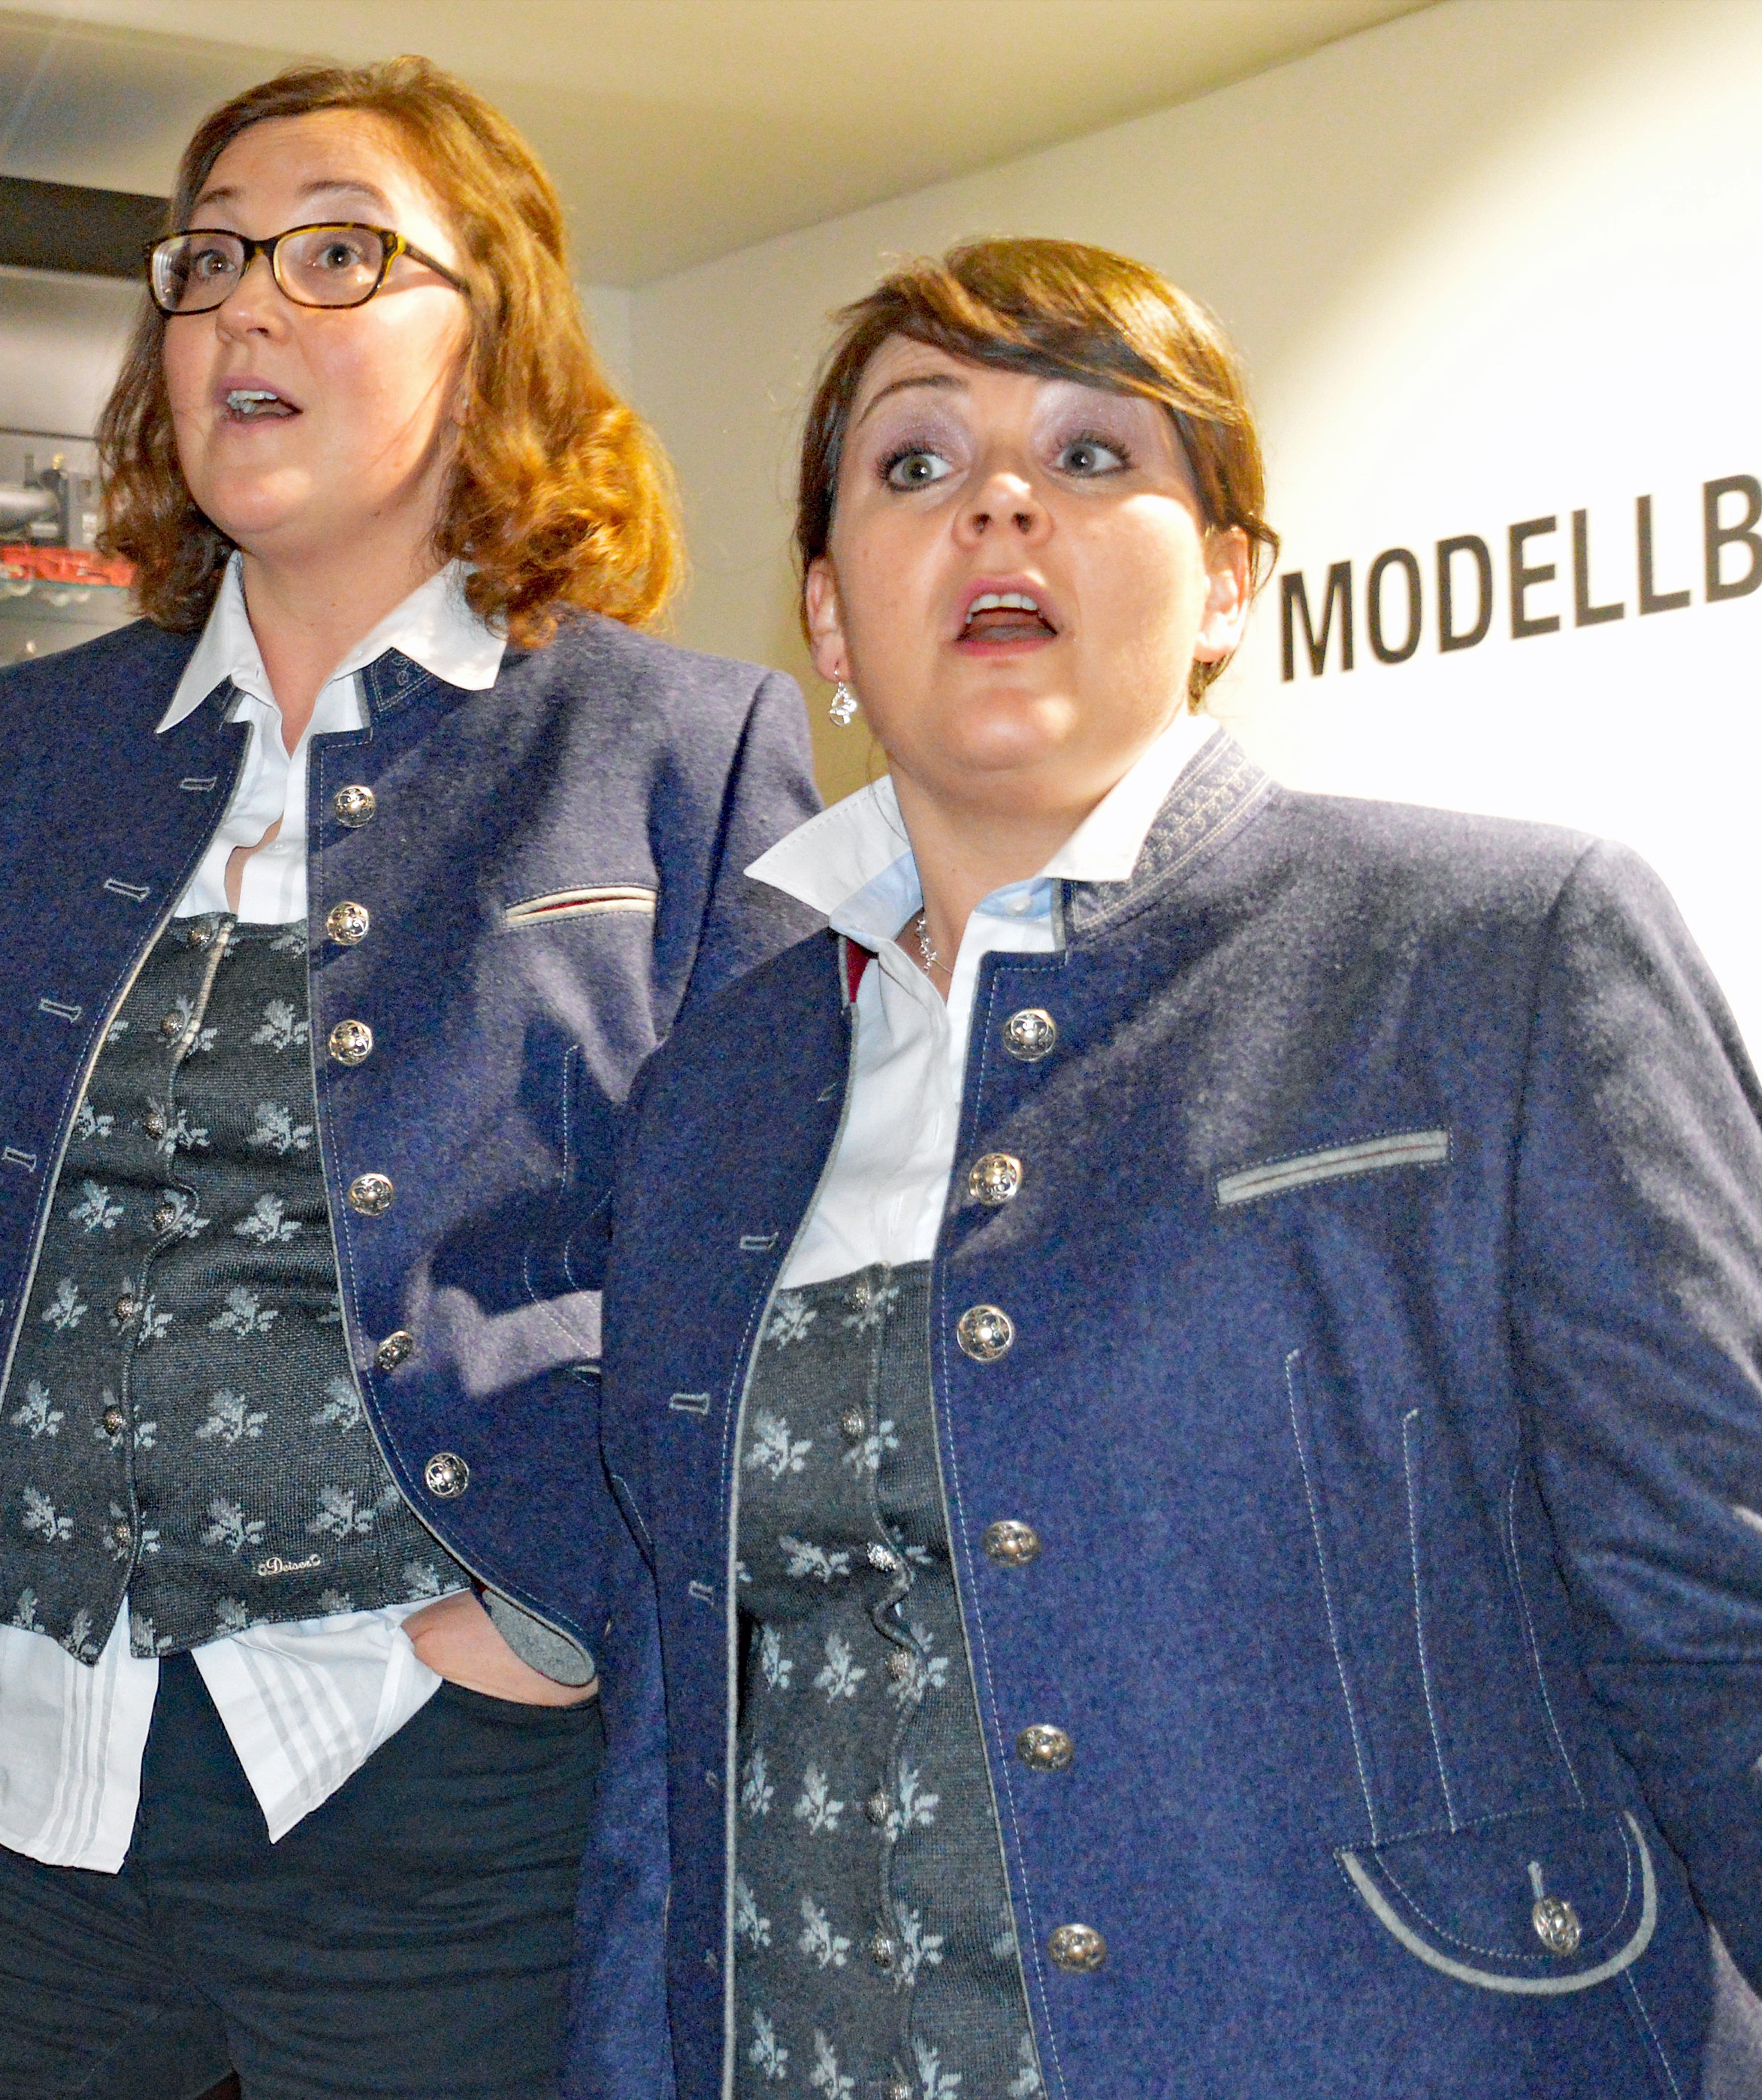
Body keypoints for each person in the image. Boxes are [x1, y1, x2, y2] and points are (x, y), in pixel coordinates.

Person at [0, 57, 818, 2100]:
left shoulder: (678, 751)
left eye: (336, 256)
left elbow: (767, 1283)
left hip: (438, 1790)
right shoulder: (24, 756)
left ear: (492, 338)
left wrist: (539, 1628)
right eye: (210, 261)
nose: (248, 305)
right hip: (5, 1770)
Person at [597, 237, 1762, 2100]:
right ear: (824, 616)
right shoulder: (716, 1089)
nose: (997, 502)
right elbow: (678, 1728)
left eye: (1088, 456)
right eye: (914, 463)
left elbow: (1720, 1612)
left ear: (1224, 578)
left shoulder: (1496, 949)